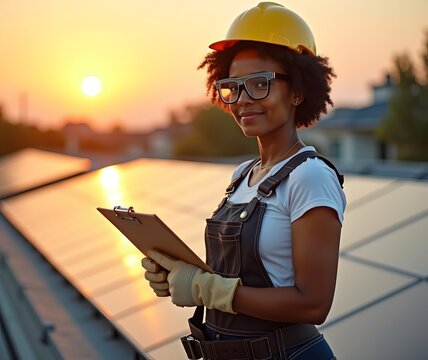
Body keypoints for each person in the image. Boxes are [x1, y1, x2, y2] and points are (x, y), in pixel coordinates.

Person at [142, 2, 346, 359]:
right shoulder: (241, 176)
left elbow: (313, 304)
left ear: (297, 91)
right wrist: (180, 275)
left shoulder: (310, 177)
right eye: (231, 87)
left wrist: (209, 290)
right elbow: (225, 277)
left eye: (259, 84)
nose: (242, 100)